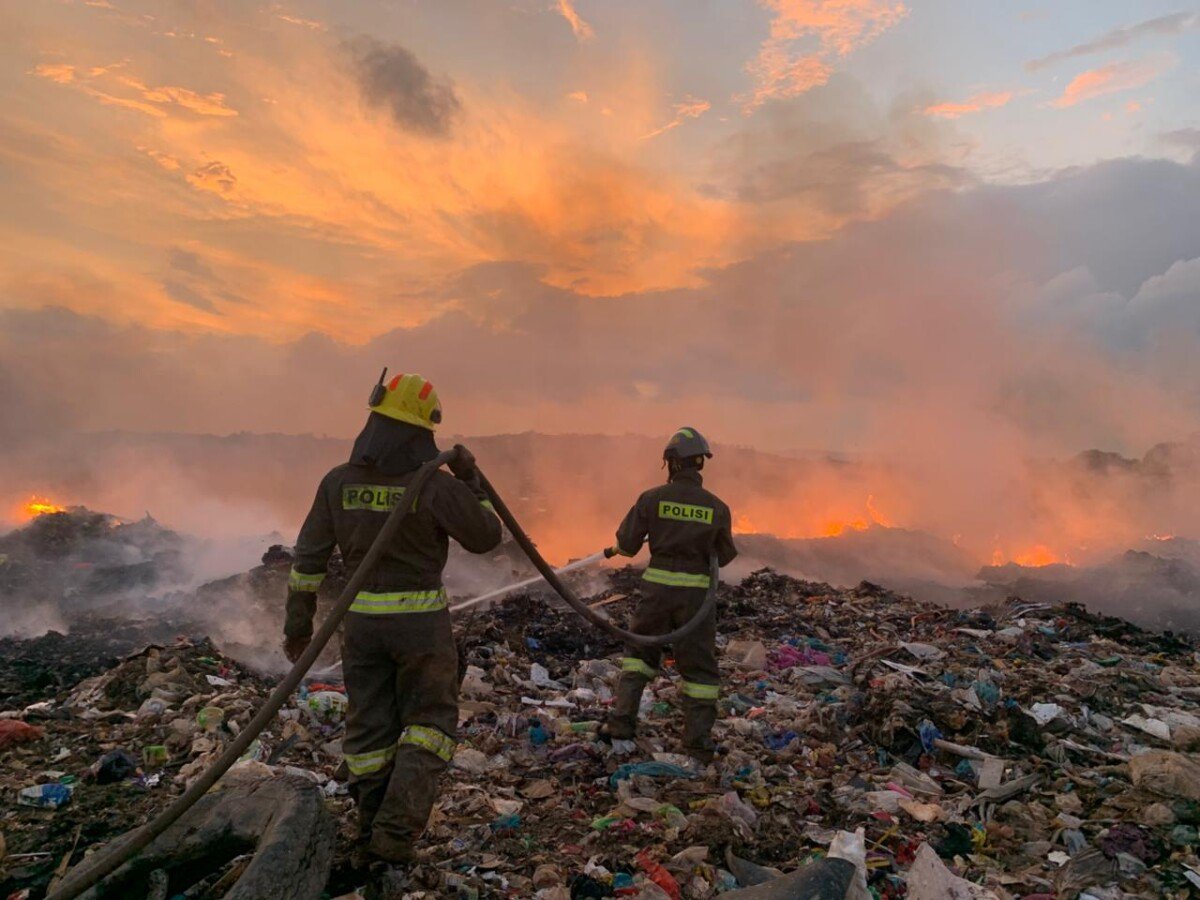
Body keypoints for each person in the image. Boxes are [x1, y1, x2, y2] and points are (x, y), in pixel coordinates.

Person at [282, 370, 502, 868]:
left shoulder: (337, 482)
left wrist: (298, 628)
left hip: (359, 630)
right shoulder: (435, 485)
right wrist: (472, 479)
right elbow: (487, 536)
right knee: (430, 726)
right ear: (423, 432)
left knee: (369, 734)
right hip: (421, 629)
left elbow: (307, 562)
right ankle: (393, 838)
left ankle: (369, 830)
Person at [602, 427, 738, 763]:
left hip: (657, 595)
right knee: (700, 672)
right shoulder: (717, 507)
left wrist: (619, 547)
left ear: (671, 463)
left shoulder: (652, 499)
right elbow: (727, 555)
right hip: (695, 601)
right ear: (699, 465)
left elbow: (629, 544)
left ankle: (621, 725)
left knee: (639, 656)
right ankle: (697, 745)